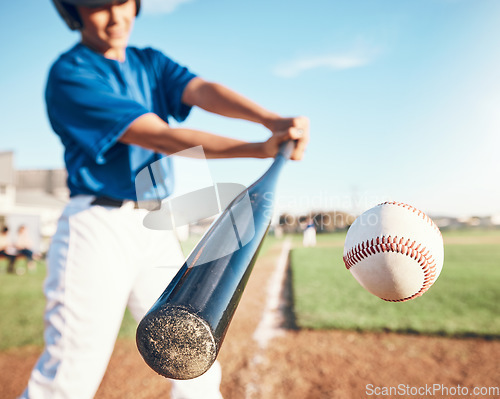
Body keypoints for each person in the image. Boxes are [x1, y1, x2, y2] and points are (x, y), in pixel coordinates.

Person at [21, 1, 309, 398]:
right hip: (97, 227)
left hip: (156, 226)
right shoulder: (71, 74)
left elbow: (203, 90)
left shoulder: (149, 62)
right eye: (97, 7)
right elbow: (158, 135)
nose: (115, 18)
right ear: (74, 12)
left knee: (196, 362)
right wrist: (260, 147)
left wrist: (270, 120)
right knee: (69, 375)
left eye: (121, 3)